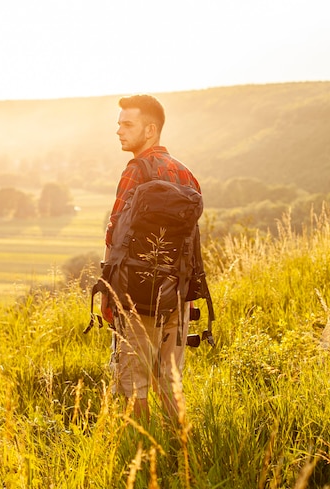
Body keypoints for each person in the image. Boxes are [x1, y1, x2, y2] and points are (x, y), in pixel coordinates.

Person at [101, 94, 201, 421]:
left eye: (127, 124)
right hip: (179, 294)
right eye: (119, 124)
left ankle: (143, 453)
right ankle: (179, 448)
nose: (119, 131)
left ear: (151, 130)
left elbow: (114, 236)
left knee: (134, 384)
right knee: (170, 380)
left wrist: (108, 292)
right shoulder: (187, 174)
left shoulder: (136, 170)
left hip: (135, 295)